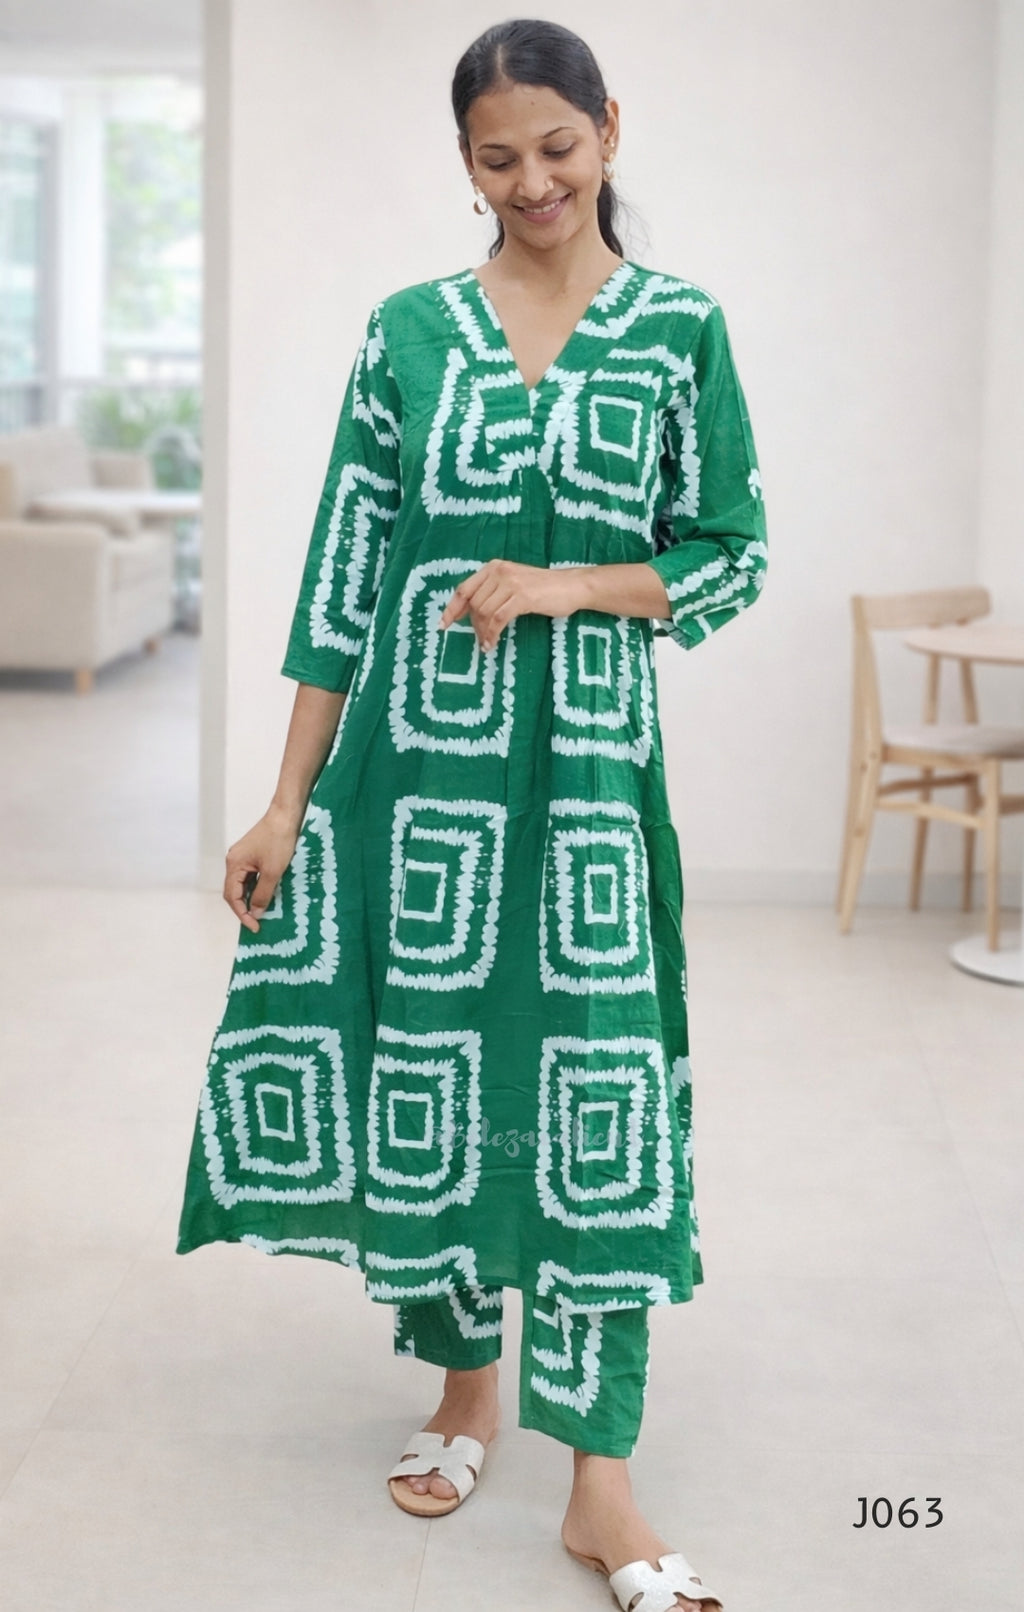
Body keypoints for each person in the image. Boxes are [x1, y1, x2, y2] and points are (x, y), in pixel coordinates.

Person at [176, 18, 766, 1612]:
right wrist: (284, 800)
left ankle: (604, 1484)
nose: (533, 183)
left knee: (598, 1100)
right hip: (415, 782)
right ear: (465, 164)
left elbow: (729, 549)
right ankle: (458, 1389)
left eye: (558, 150)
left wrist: (574, 582)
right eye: (498, 158)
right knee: (433, 1063)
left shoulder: (677, 331)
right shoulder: (408, 334)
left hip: (581, 792)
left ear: (609, 134)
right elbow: (340, 578)